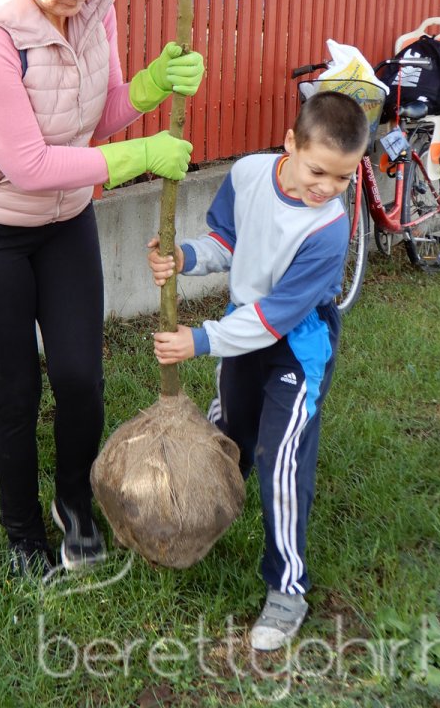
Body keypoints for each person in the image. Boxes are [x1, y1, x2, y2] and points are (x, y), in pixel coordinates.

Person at [0, 0, 203, 578]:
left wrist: (148, 87)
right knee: (15, 391)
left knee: (81, 378)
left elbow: (95, 111)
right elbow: (25, 162)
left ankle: (73, 505)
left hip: (62, 220)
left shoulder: (94, 9)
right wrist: (141, 155)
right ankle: (23, 535)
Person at [147, 91, 369, 651]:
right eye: (319, 170)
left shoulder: (328, 230)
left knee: (279, 459)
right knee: (231, 441)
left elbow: (274, 319)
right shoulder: (247, 174)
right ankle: (204, 522)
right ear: (290, 143)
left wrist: (198, 341)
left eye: (342, 179)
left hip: (296, 347)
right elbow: (228, 240)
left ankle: (287, 587)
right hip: (243, 332)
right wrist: (186, 258)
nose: (326, 188)